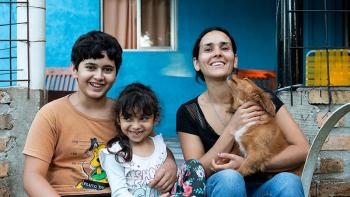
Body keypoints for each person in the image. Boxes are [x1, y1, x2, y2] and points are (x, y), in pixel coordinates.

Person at [23, 31, 177, 197]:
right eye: (90, 67)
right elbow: (32, 177)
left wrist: (170, 162)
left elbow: (154, 145)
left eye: (107, 69)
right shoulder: (51, 114)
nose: (99, 76)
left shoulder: (125, 114)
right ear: (74, 69)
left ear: (116, 74)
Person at [176, 27, 309, 197]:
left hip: (264, 187)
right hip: (221, 187)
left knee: (289, 181)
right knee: (230, 179)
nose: (217, 53)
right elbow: (195, 173)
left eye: (224, 48)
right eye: (208, 49)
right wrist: (232, 128)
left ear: (235, 59)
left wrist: (248, 164)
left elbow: (302, 149)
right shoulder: (188, 112)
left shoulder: (261, 98)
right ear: (196, 63)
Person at [99, 82, 206, 197]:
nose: (136, 126)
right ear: (118, 120)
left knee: (194, 165)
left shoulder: (159, 145)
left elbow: (171, 183)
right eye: (128, 118)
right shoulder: (115, 153)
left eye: (143, 118)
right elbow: (119, 193)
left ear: (155, 118)